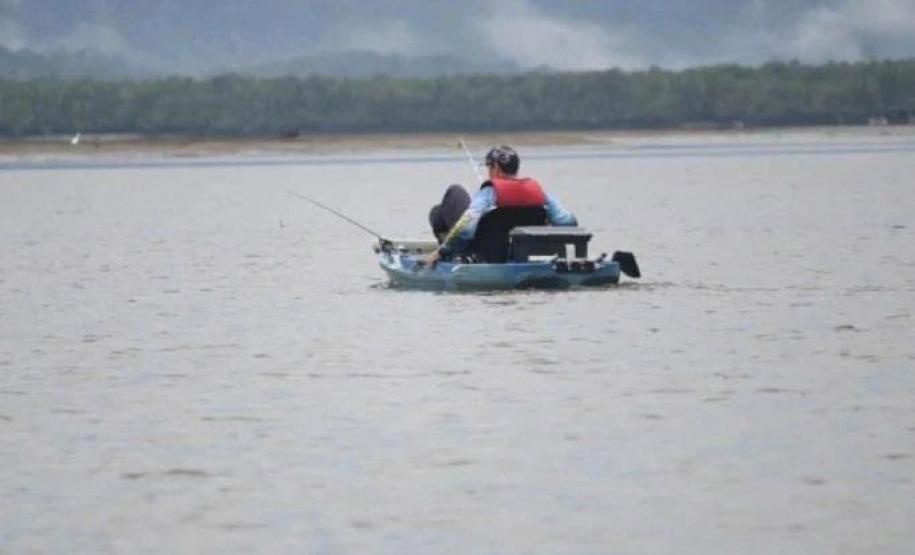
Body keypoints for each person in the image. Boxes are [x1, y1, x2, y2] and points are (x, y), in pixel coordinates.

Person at [425, 145, 578, 266]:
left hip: (484, 254)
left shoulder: (489, 192)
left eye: (489, 167)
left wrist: (443, 251)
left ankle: (449, 253)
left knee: (449, 199)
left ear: (496, 169)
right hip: (521, 252)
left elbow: (466, 228)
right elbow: (568, 222)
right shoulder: (539, 192)